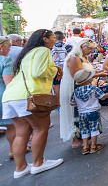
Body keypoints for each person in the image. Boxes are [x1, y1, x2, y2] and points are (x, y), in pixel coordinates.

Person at [2, 29, 64, 178]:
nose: (54, 41)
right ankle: (38, 163)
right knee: (41, 129)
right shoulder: (43, 50)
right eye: (52, 38)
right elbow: (38, 72)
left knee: (21, 133)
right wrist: (55, 69)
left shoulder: (28, 53)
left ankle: (20, 168)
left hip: (11, 96)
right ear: (44, 38)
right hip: (28, 96)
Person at [59, 38, 106, 148]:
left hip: (83, 90)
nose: (91, 51)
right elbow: (78, 77)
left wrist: (97, 72)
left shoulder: (82, 58)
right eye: (89, 48)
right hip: (77, 91)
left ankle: (84, 140)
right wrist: (97, 74)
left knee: (83, 114)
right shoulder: (74, 59)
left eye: (92, 49)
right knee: (77, 114)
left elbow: (85, 73)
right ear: (81, 47)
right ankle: (77, 140)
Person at [70, 69, 108, 155]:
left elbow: (72, 103)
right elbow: (102, 97)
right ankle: (93, 146)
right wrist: (107, 95)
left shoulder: (75, 91)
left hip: (82, 114)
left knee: (84, 129)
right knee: (94, 128)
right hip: (93, 112)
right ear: (88, 79)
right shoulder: (93, 88)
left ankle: (85, 147)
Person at [0, 37, 14, 158]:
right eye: (8, 46)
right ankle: (14, 150)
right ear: (1, 47)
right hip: (3, 97)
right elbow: (8, 83)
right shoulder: (6, 60)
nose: (10, 49)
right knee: (12, 126)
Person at [51, 31, 73, 97]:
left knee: (57, 85)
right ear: (63, 37)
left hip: (55, 69)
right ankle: (67, 100)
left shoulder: (51, 48)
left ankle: (59, 101)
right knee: (67, 85)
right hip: (67, 69)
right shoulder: (69, 47)